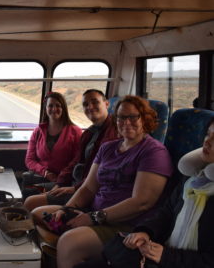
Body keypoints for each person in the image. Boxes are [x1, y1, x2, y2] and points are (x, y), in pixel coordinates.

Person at [33, 95, 173, 268]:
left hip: (127, 225)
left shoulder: (153, 152)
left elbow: (142, 202)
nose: (126, 122)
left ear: (144, 119)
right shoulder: (108, 148)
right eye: (121, 117)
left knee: (70, 243)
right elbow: (88, 188)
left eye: (133, 117)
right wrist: (67, 209)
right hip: (95, 212)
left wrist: (94, 218)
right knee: (37, 215)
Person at [121, 118, 214, 268]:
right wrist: (145, 232)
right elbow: (167, 212)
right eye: (207, 134)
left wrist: (167, 256)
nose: (207, 141)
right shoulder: (194, 178)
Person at [24, 89, 118, 211]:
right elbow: (76, 161)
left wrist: (74, 187)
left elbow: (102, 173)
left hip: (84, 189)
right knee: (29, 191)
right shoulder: (89, 133)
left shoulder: (113, 134)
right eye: (85, 104)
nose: (90, 107)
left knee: (31, 202)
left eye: (95, 102)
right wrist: (59, 184)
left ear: (106, 103)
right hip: (72, 182)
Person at [22, 91, 82, 197]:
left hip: (63, 179)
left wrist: (61, 177)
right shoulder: (38, 131)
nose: (54, 109)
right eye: (50, 106)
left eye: (58, 105)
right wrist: (45, 173)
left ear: (64, 108)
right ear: (46, 109)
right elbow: (29, 160)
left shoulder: (75, 131)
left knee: (31, 192)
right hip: (41, 174)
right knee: (25, 185)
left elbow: (76, 160)